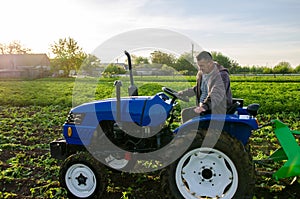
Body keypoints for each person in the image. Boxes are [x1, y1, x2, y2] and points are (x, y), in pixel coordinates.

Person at [179, 51, 232, 123]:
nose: (200, 68)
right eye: (198, 66)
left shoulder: (221, 75)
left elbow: (216, 94)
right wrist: (184, 93)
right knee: (186, 112)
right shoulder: (202, 73)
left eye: (201, 66)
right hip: (205, 106)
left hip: (215, 108)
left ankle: (188, 134)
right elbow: (199, 88)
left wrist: (204, 107)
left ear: (210, 63)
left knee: (186, 113)